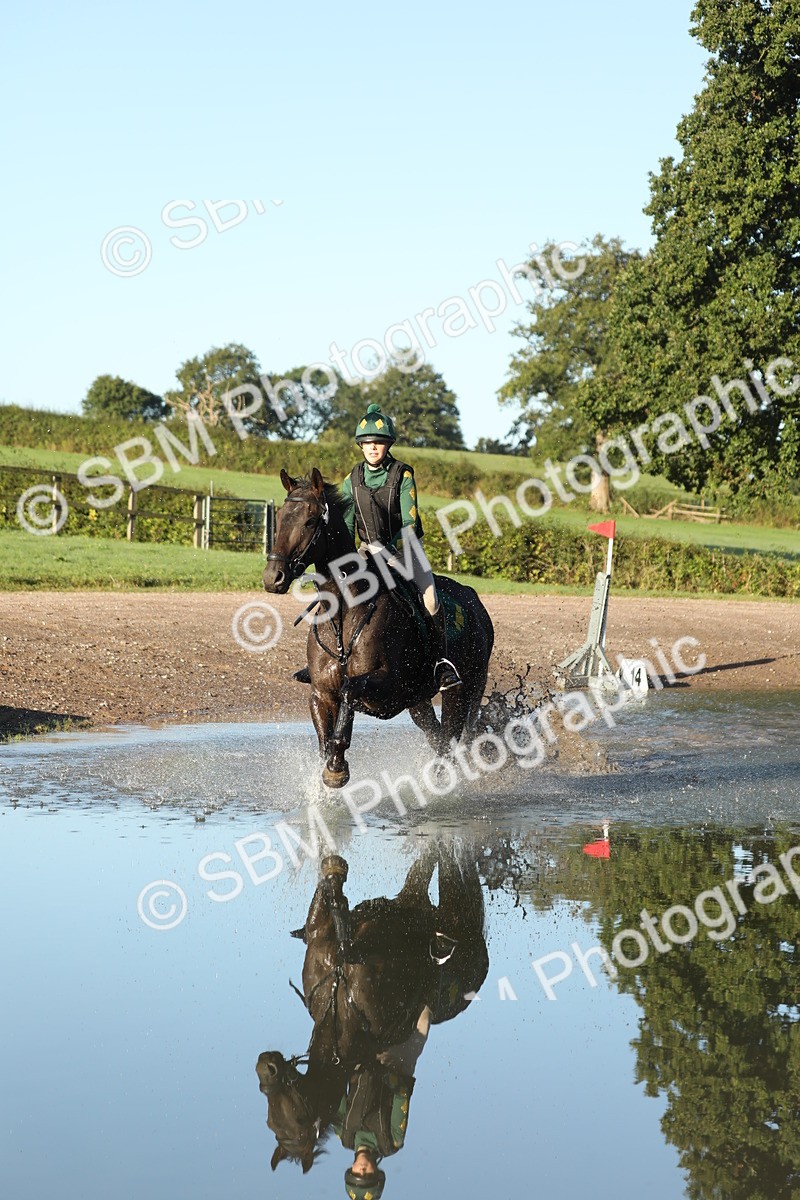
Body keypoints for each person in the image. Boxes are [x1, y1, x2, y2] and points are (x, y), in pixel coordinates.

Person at [338, 402, 461, 692]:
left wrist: (387, 550)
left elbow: (410, 523)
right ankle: (332, 660)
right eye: (367, 443)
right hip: (367, 552)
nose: (373, 448)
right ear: (361, 446)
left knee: (430, 599)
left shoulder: (403, 476)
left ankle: (441, 664)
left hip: (405, 552)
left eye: (378, 443)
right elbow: (345, 526)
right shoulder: (351, 480)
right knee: (338, 595)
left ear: (388, 445)